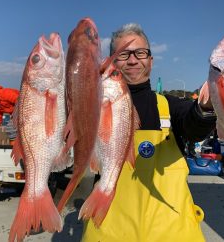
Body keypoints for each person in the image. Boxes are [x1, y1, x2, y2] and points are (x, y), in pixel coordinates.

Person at [82, 23, 217, 242]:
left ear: (151, 61)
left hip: (173, 233)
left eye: (140, 52)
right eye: (123, 54)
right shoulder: (94, 108)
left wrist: (207, 106)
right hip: (109, 231)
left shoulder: (171, 106)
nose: (133, 60)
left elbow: (195, 128)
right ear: (111, 62)